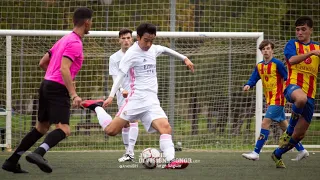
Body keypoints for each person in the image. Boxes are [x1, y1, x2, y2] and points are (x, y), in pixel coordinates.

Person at [81, 22, 194, 169]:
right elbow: (120, 76)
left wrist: (184, 58)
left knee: (166, 128)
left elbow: (165, 49)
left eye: (151, 40)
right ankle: (97, 108)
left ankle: (170, 161)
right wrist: (111, 96)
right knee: (111, 131)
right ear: (138, 37)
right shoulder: (131, 54)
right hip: (135, 100)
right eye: (146, 40)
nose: (148, 44)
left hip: (152, 100)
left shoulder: (153, 49)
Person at [2, 7, 93, 173]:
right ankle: (39, 152)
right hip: (57, 89)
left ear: (74, 21)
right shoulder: (76, 43)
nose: (91, 25)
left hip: (46, 85)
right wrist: (73, 94)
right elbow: (65, 69)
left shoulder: (63, 40)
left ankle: (11, 161)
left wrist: (58, 79)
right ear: (87, 22)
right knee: (64, 129)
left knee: (41, 128)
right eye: (91, 22)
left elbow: (43, 63)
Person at [241, 40, 308, 161]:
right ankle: (302, 150)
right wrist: (248, 85)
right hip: (270, 99)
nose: (266, 51)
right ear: (261, 51)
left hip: (278, 99)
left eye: (268, 48)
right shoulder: (259, 65)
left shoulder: (277, 64)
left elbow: (288, 78)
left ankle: (256, 152)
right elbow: (254, 78)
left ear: (272, 50)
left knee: (265, 123)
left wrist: (291, 93)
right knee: (286, 128)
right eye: (263, 49)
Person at [271, 16, 320, 168]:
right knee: (301, 99)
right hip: (293, 87)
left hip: (310, 95)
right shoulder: (292, 44)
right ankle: (289, 129)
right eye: (297, 29)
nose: (300, 32)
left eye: (303, 29)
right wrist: (311, 53)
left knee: (299, 136)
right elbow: (291, 60)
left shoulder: (318, 48)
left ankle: (277, 154)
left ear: (311, 30)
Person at [110, 28, 139, 162]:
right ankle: (128, 151)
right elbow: (116, 77)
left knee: (133, 121)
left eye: (128, 38)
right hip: (122, 94)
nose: (126, 40)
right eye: (123, 38)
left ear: (132, 39)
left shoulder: (137, 54)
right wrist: (121, 90)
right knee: (125, 124)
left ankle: (130, 152)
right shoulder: (114, 58)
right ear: (119, 40)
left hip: (137, 92)